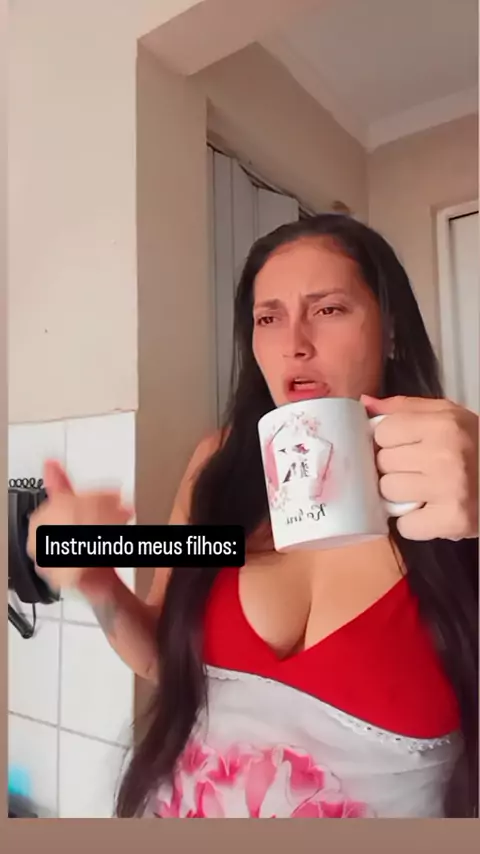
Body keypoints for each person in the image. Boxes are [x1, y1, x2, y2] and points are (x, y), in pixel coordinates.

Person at [27, 214, 478, 820]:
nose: (295, 342)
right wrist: (96, 578)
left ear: (391, 331)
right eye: (269, 318)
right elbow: (164, 657)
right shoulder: (219, 470)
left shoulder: (461, 491)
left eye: (329, 309)